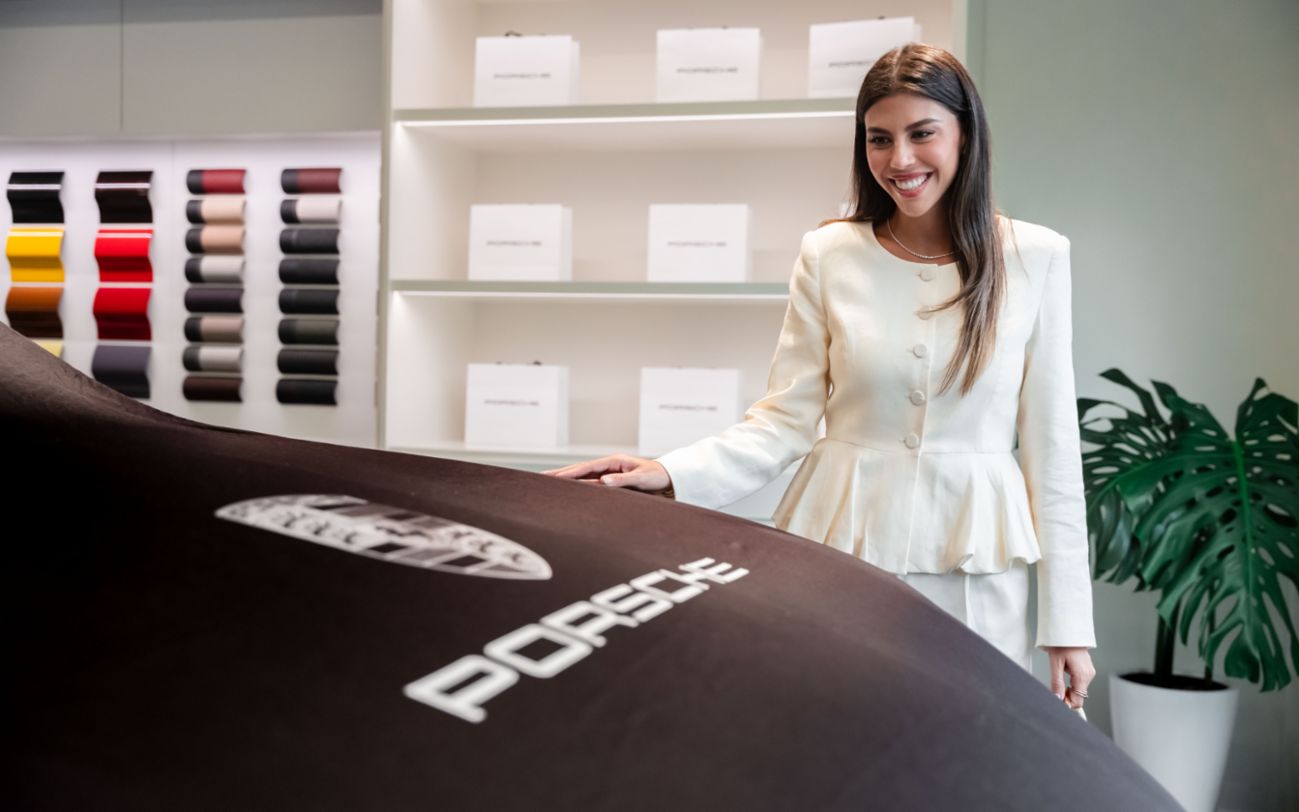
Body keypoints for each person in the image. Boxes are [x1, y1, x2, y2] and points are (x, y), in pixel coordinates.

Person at [543, 43, 1096, 711]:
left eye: (922, 134)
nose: (900, 160)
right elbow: (783, 419)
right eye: (878, 139)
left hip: (976, 566)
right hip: (840, 550)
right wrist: (670, 473)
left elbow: (1052, 450)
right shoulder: (829, 253)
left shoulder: (1035, 257)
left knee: (956, 756)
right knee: (832, 736)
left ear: (965, 134)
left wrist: (1067, 627)